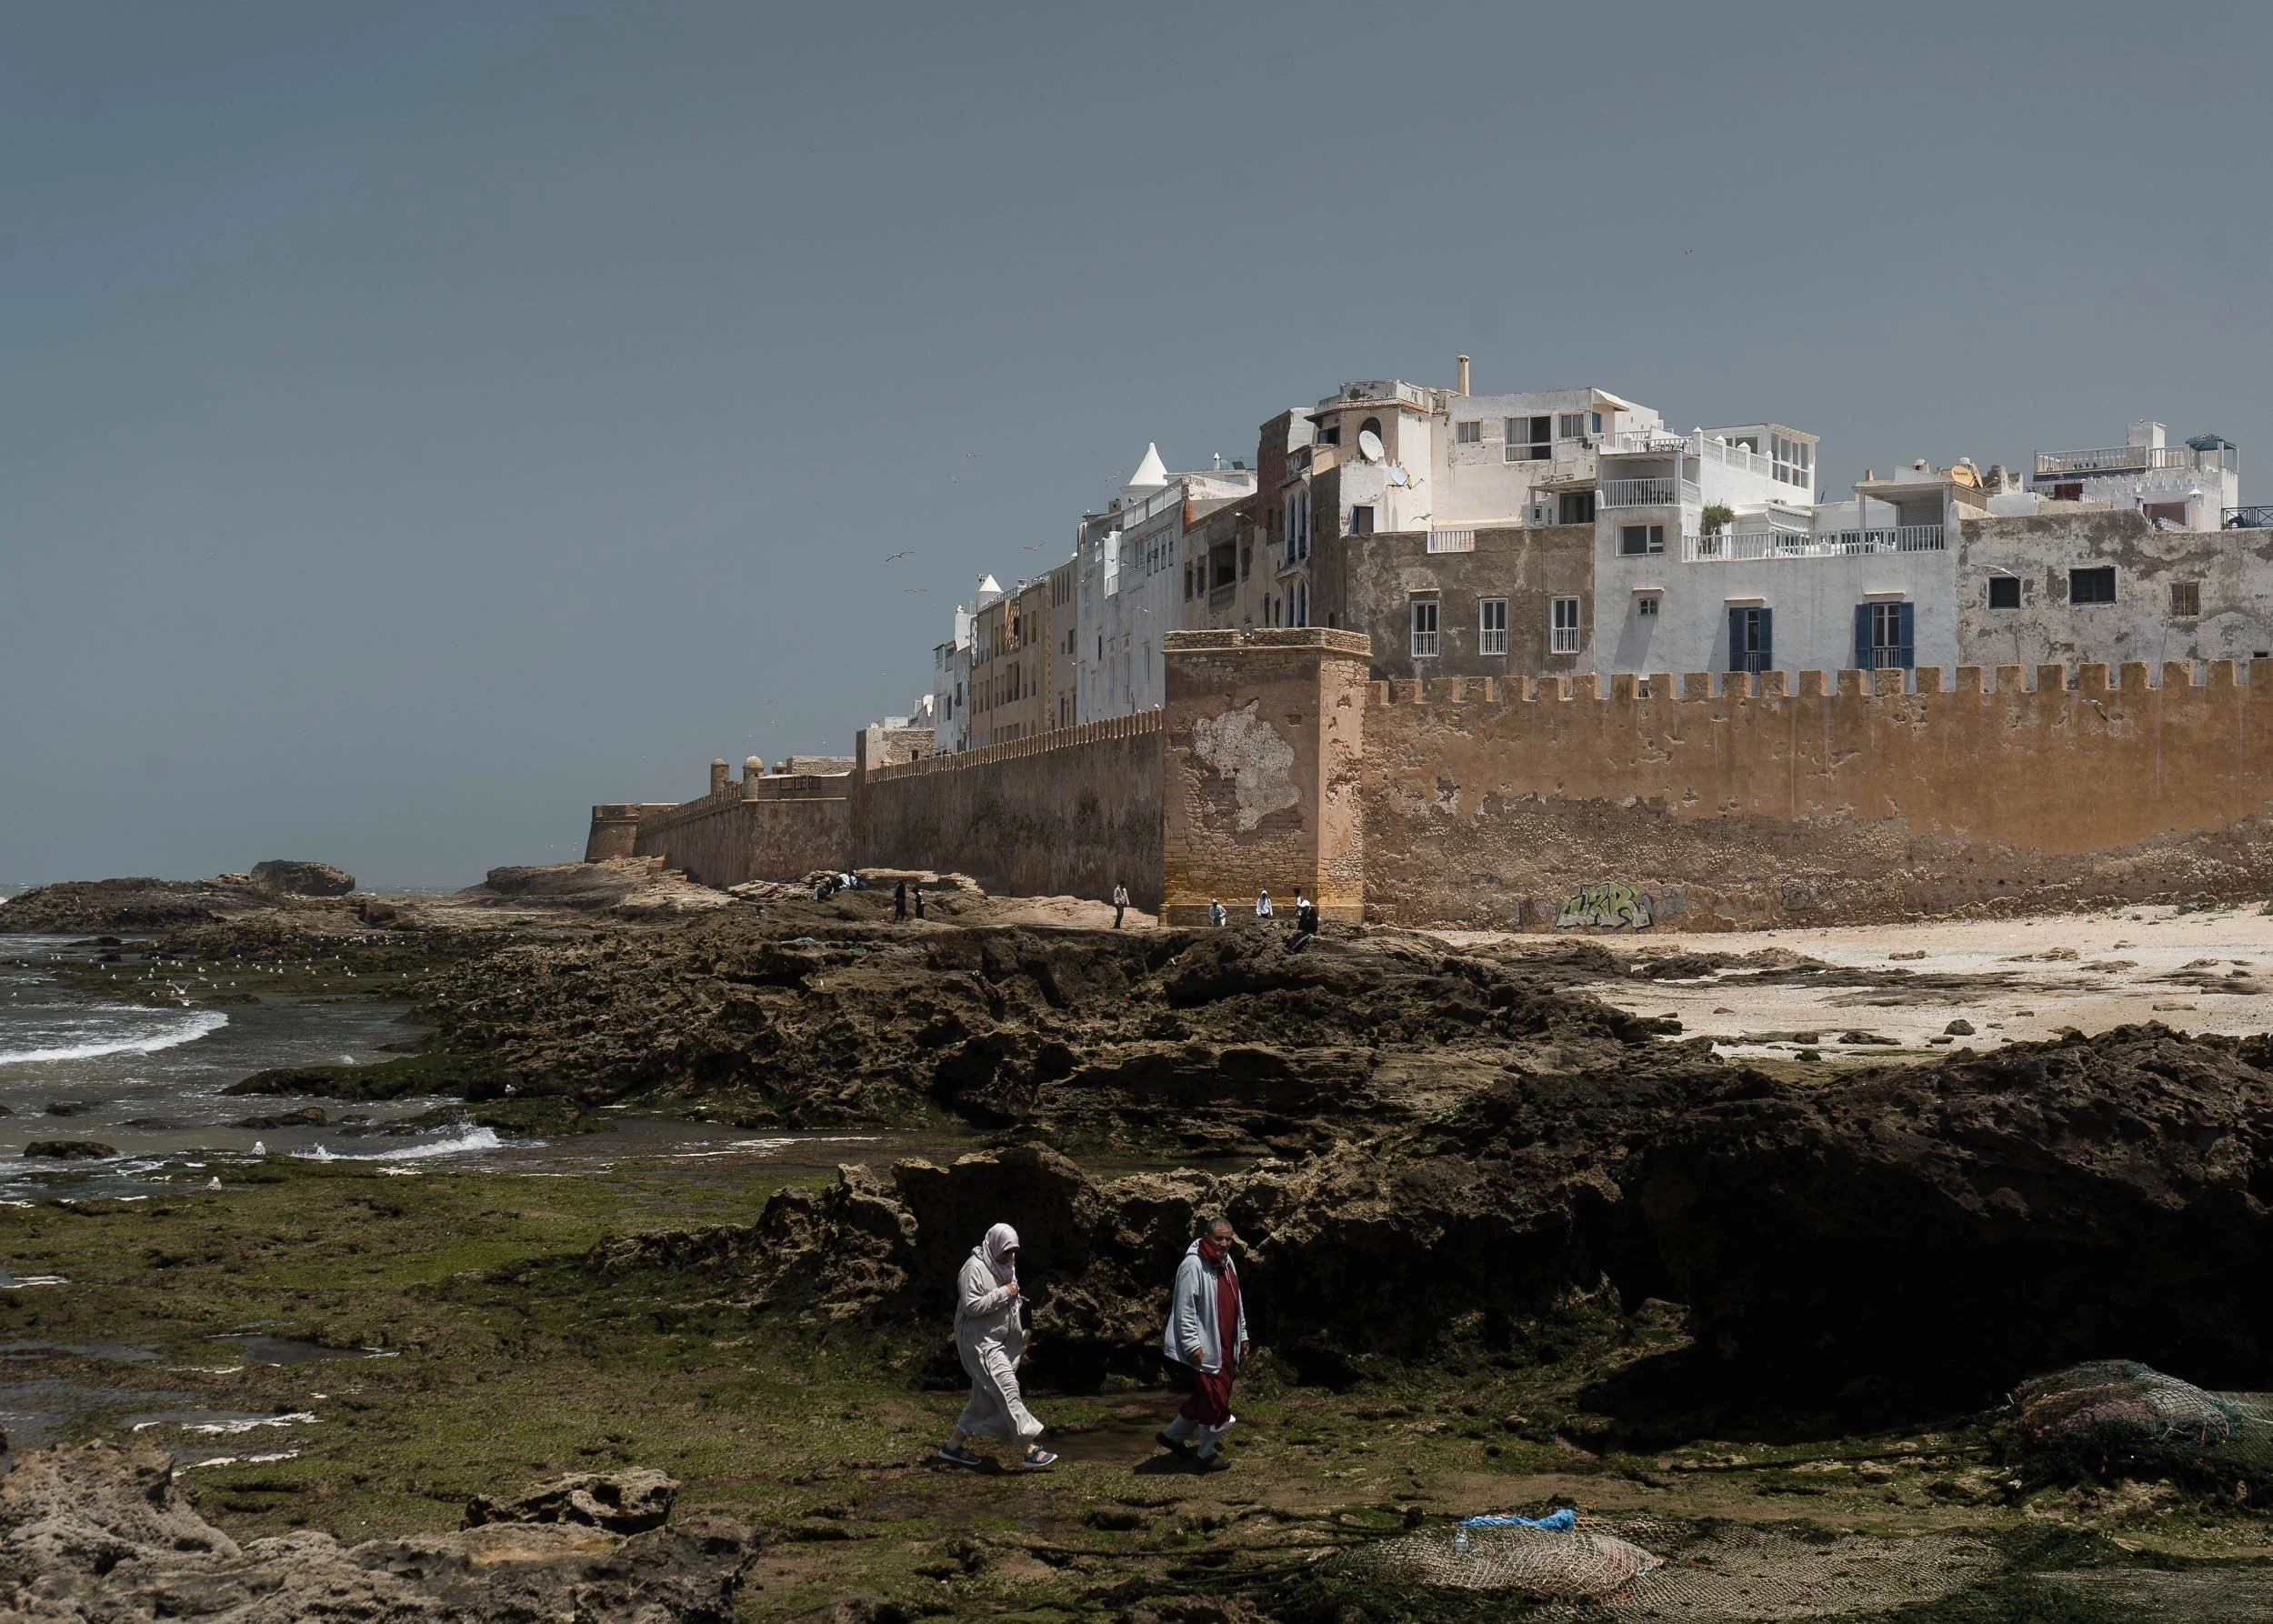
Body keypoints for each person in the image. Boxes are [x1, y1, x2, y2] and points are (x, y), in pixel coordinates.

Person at [939, 1223, 1056, 1471]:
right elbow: (972, 1306)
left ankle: (952, 1447)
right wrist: (1005, 1293)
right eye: (1006, 1251)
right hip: (981, 1344)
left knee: (984, 1399)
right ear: (993, 1245)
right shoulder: (973, 1269)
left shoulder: (1006, 1266)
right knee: (1007, 1389)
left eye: (1013, 1251)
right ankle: (1031, 1449)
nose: (1010, 1256)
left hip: (1002, 1342)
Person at [1157, 1215, 1248, 1472]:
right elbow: (1184, 1309)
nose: (1224, 1244)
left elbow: (1236, 1301)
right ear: (1207, 1237)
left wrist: (1243, 1334)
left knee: (1205, 1398)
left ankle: (1172, 1436)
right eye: (1219, 1238)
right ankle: (1205, 1454)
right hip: (1206, 1346)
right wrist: (1192, 1345)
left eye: (1228, 1239)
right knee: (1214, 1401)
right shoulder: (1192, 1265)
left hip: (1227, 1344)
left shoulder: (1227, 1262)